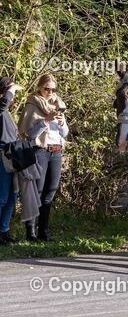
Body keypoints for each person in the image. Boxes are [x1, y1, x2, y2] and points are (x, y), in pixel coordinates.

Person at [17, 74, 69, 242]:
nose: (50, 92)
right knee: (36, 191)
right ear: (40, 87)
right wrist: (45, 120)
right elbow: (28, 135)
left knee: (50, 192)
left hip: (56, 151)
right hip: (40, 151)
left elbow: (65, 133)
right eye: (46, 89)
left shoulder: (58, 105)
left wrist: (61, 123)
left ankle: (43, 232)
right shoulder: (32, 104)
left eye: (53, 89)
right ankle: (30, 233)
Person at [0, 77, 24, 245]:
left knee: (12, 196)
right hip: (1, 156)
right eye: (12, 93)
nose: (14, 97)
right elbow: (2, 105)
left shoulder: (6, 112)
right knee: (1, 197)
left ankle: (4, 230)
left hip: (11, 156)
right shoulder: (2, 107)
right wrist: (10, 90)